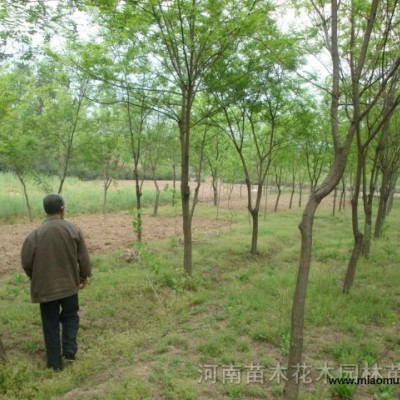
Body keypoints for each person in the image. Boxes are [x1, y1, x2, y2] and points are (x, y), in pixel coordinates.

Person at [21, 193, 91, 371]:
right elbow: (83, 257)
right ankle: (69, 353)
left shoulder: (35, 235)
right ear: (62, 210)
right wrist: (84, 275)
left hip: (45, 290)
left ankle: (54, 364)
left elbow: (26, 262)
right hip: (69, 286)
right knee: (70, 317)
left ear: (46, 211)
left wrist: (35, 276)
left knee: (50, 324)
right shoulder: (73, 230)